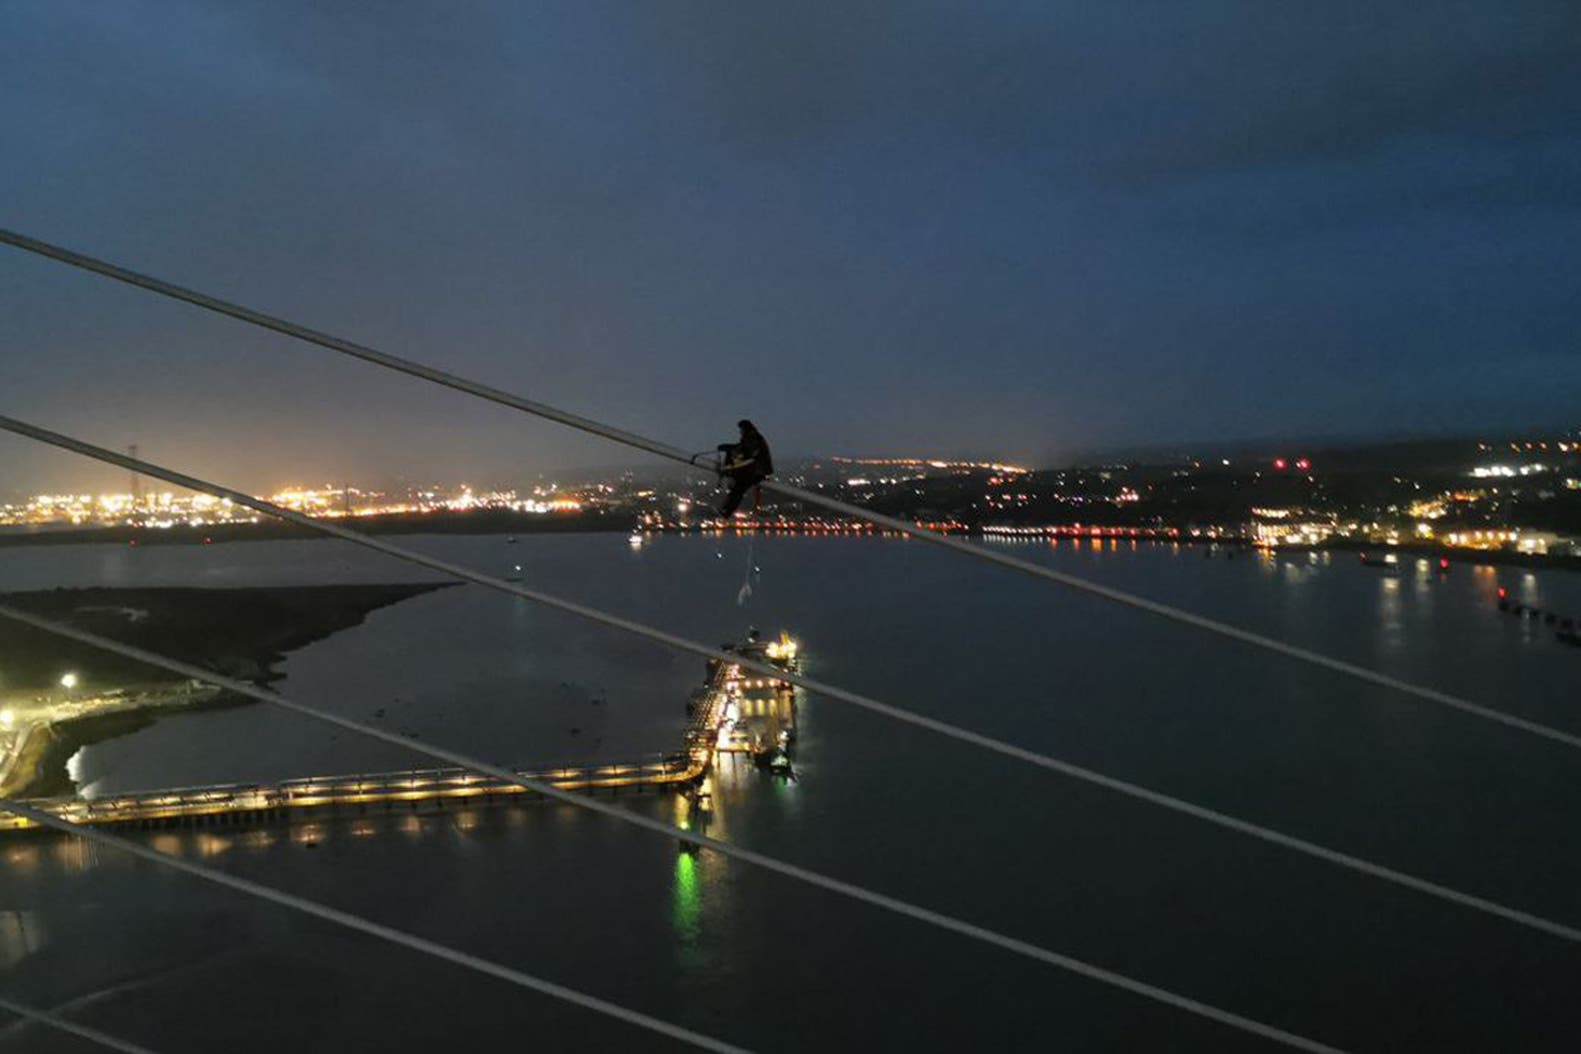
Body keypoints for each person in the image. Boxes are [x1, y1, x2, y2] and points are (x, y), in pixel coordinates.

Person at [716, 419, 773, 515]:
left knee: (739, 488)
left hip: (756, 471)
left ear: (745, 429)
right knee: (738, 488)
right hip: (755, 470)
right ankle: (726, 510)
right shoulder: (752, 438)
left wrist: (731, 466)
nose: (740, 432)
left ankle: (727, 510)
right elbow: (741, 449)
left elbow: (747, 453)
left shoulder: (752, 439)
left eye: (741, 430)